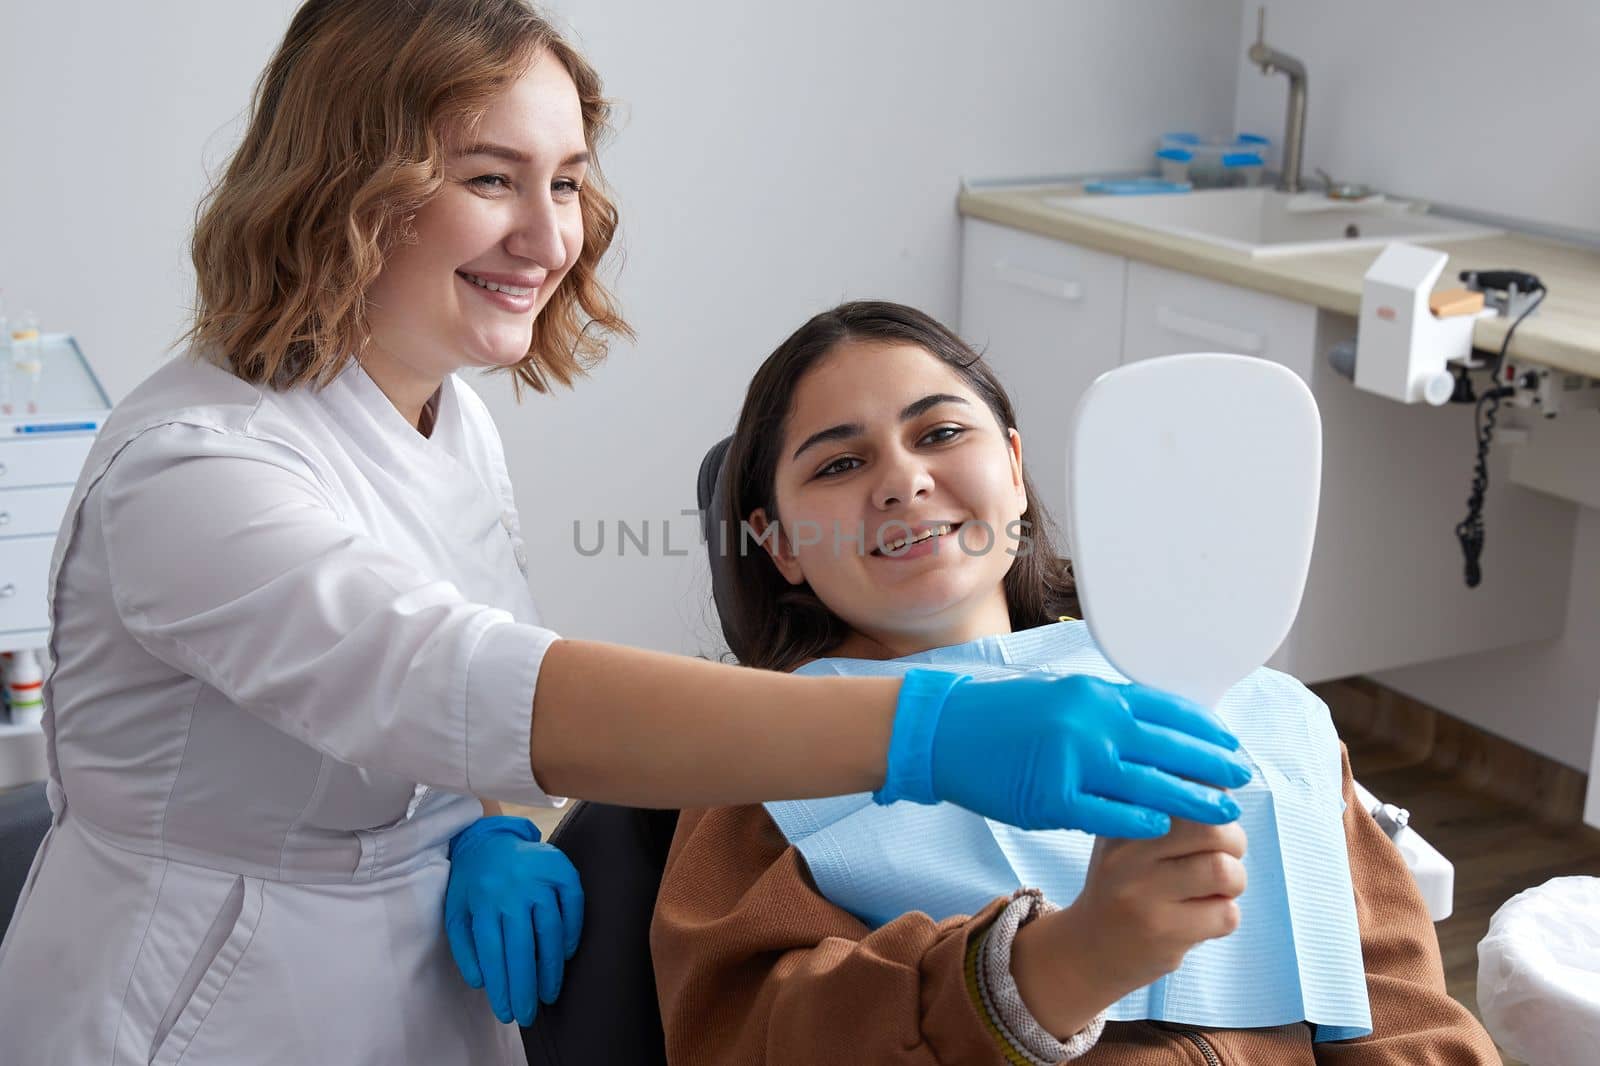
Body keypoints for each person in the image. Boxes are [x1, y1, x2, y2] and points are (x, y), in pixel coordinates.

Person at [0, 4, 1252, 1065]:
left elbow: (467, 690)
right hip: (196, 1002)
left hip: (431, 982)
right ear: (345, 181)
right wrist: (926, 731)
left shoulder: (443, 412)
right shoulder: (192, 478)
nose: (549, 240)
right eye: (490, 178)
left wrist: (487, 818)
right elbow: (466, 679)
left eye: (566, 182)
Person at [649, 301, 1501, 1064]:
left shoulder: (1259, 712)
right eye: (838, 465)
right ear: (779, 545)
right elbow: (759, 1037)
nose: (904, 480)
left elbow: (1400, 1012)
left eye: (941, 433)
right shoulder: (754, 767)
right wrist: (1057, 968)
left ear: (1014, 471)